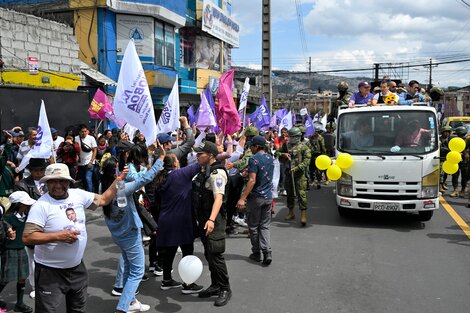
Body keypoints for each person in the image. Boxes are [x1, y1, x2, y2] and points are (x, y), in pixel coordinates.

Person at [22, 162, 124, 312]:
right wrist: (58, 236)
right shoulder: (41, 205)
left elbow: (103, 200)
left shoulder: (78, 194)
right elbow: (28, 237)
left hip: (77, 269)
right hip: (49, 272)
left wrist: (119, 179)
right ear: (47, 183)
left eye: (62, 181)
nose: (57, 185)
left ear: (69, 182)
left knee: (78, 309)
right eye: (53, 181)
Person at [100, 143, 164, 313]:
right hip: (130, 234)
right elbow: (144, 179)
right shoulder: (120, 189)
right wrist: (161, 159)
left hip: (118, 236)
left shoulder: (103, 193)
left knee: (129, 267)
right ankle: (122, 308)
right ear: (114, 175)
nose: (122, 172)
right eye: (118, 171)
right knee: (137, 272)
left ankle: (132, 301)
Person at [153, 152, 204, 293]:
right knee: (188, 251)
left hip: (166, 219)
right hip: (181, 220)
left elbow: (156, 201)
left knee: (170, 251)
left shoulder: (160, 178)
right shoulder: (180, 174)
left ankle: (167, 280)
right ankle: (188, 283)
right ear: (175, 163)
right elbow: (200, 164)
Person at [192, 141, 231, 306]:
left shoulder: (217, 173)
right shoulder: (204, 170)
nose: (197, 156)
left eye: (200, 154)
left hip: (213, 220)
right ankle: (215, 285)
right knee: (209, 254)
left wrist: (211, 220)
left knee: (215, 254)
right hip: (204, 218)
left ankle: (225, 288)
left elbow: (219, 199)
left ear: (211, 155)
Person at [236, 136, 274, 265]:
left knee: (253, 226)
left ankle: (256, 253)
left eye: (251, 146)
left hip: (256, 197)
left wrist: (242, 198)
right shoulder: (271, 158)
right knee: (264, 226)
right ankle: (267, 252)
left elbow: (252, 181)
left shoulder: (254, 160)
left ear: (257, 147)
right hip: (268, 197)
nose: (250, 148)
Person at [14, 158, 48, 300]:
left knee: (49, 258)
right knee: (33, 259)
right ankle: (35, 286)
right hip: (32, 226)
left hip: (49, 225)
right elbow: (24, 208)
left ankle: (49, 284)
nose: (39, 173)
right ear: (30, 170)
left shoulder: (49, 182)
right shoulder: (22, 185)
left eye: (41, 170)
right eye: (35, 170)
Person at [0, 191, 35, 313]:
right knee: (5, 278)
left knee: (22, 277)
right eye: (26, 204)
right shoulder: (7, 219)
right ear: (19, 204)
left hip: (21, 249)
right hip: (9, 251)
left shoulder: (26, 217)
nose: (28, 206)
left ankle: (19, 303)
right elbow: (2, 237)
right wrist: (7, 236)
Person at [276, 127, 311, 225]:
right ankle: (291, 212)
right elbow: (277, 153)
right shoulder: (286, 145)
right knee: (290, 194)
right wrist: (284, 154)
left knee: (301, 194)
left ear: (297, 137)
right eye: (289, 136)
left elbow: (307, 160)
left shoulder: (304, 147)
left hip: (299, 175)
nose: (290, 138)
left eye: (292, 137)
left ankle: (303, 214)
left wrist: (298, 168)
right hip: (288, 174)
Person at [75, 124, 97, 192]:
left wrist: (91, 161)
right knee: (83, 180)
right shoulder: (76, 138)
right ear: (79, 132)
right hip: (80, 163)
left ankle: (90, 196)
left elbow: (95, 150)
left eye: (85, 131)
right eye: (82, 131)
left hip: (89, 162)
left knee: (88, 178)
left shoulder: (91, 138)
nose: (84, 133)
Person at [439, 126, 452, 193]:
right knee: (441, 173)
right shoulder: (439, 139)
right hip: (441, 158)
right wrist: (447, 149)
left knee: (446, 173)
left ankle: (443, 184)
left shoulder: (450, 139)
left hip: (448, 158)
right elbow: (440, 148)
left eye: (448, 132)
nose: (447, 133)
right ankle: (440, 186)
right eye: (445, 132)